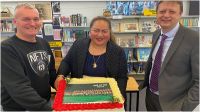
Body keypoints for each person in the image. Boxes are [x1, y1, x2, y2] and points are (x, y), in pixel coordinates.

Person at [139, 1, 199, 111]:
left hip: (175, 104)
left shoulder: (195, 39)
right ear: (156, 14)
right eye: (162, 11)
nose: (166, 15)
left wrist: (185, 107)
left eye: (172, 11)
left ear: (180, 14)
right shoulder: (156, 34)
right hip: (150, 96)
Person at [1, 3, 59, 111]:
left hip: (44, 103)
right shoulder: (6, 49)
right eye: (26, 19)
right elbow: (19, 88)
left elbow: (50, 72)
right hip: (19, 108)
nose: (32, 23)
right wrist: (48, 110)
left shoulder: (44, 43)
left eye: (36, 19)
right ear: (15, 22)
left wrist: (60, 84)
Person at [56, 16, 128, 102]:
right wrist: (60, 76)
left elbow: (122, 77)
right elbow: (67, 62)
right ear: (90, 31)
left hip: (107, 97)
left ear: (109, 33)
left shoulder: (118, 52)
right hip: (79, 94)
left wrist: (119, 94)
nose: (100, 35)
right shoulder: (79, 45)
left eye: (104, 31)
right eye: (96, 30)